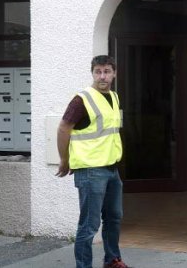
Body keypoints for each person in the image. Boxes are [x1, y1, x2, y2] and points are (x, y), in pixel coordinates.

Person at [56, 55, 129, 268]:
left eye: (107, 71)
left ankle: (112, 260)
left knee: (114, 218)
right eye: (98, 71)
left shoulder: (114, 97)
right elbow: (63, 128)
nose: (102, 76)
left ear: (114, 73)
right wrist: (64, 159)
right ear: (92, 73)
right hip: (90, 171)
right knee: (89, 225)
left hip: (111, 169)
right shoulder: (82, 99)